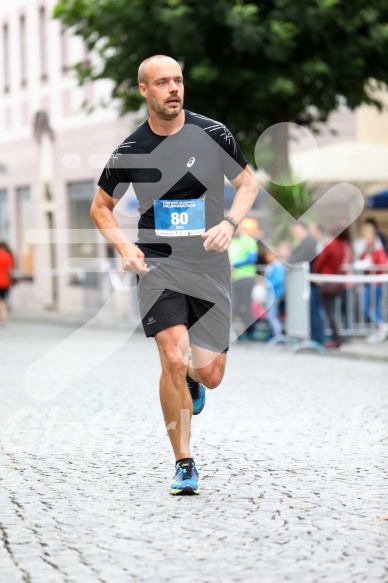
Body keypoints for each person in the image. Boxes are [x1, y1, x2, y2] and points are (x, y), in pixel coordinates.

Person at [90, 55, 258, 495]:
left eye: (178, 80)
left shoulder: (212, 133)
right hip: (159, 265)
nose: (173, 89)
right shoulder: (131, 150)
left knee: (212, 373)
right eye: (162, 82)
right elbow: (100, 207)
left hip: (209, 266)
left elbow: (247, 185)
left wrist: (230, 224)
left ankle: (191, 379)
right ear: (144, 90)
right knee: (170, 355)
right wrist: (126, 247)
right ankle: (184, 462)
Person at [312, 226, 351, 349]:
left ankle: (335, 338)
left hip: (327, 281)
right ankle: (336, 337)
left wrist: (315, 273)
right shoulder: (341, 246)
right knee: (332, 311)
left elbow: (320, 262)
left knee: (329, 311)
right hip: (335, 280)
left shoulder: (331, 245)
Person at [228, 219, 259, 341]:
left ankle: (251, 331)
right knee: (234, 307)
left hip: (246, 277)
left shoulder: (248, 240)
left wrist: (236, 264)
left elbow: (252, 257)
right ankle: (248, 330)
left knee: (245, 306)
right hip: (235, 278)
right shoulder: (232, 242)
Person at [357, 223, 387, 343]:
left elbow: (383, 265)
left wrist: (371, 265)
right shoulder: (367, 249)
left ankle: (381, 325)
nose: (367, 238)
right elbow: (361, 259)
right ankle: (380, 327)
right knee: (373, 307)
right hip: (370, 282)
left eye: (368, 235)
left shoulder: (378, 250)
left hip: (376, 283)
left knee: (369, 306)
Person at [263, 248, 286, 338]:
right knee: (271, 314)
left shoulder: (277, 266)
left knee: (271, 315)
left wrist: (268, 284)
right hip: (271, 293)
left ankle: (278, 335)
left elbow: (279, 280)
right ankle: (273, 334)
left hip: (275, 293)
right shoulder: (272, 266)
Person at [0, 241, 14, 326]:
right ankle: (3, 318)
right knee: (3, 301)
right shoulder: (7, 255)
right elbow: (10, 270)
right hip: (5, 282)